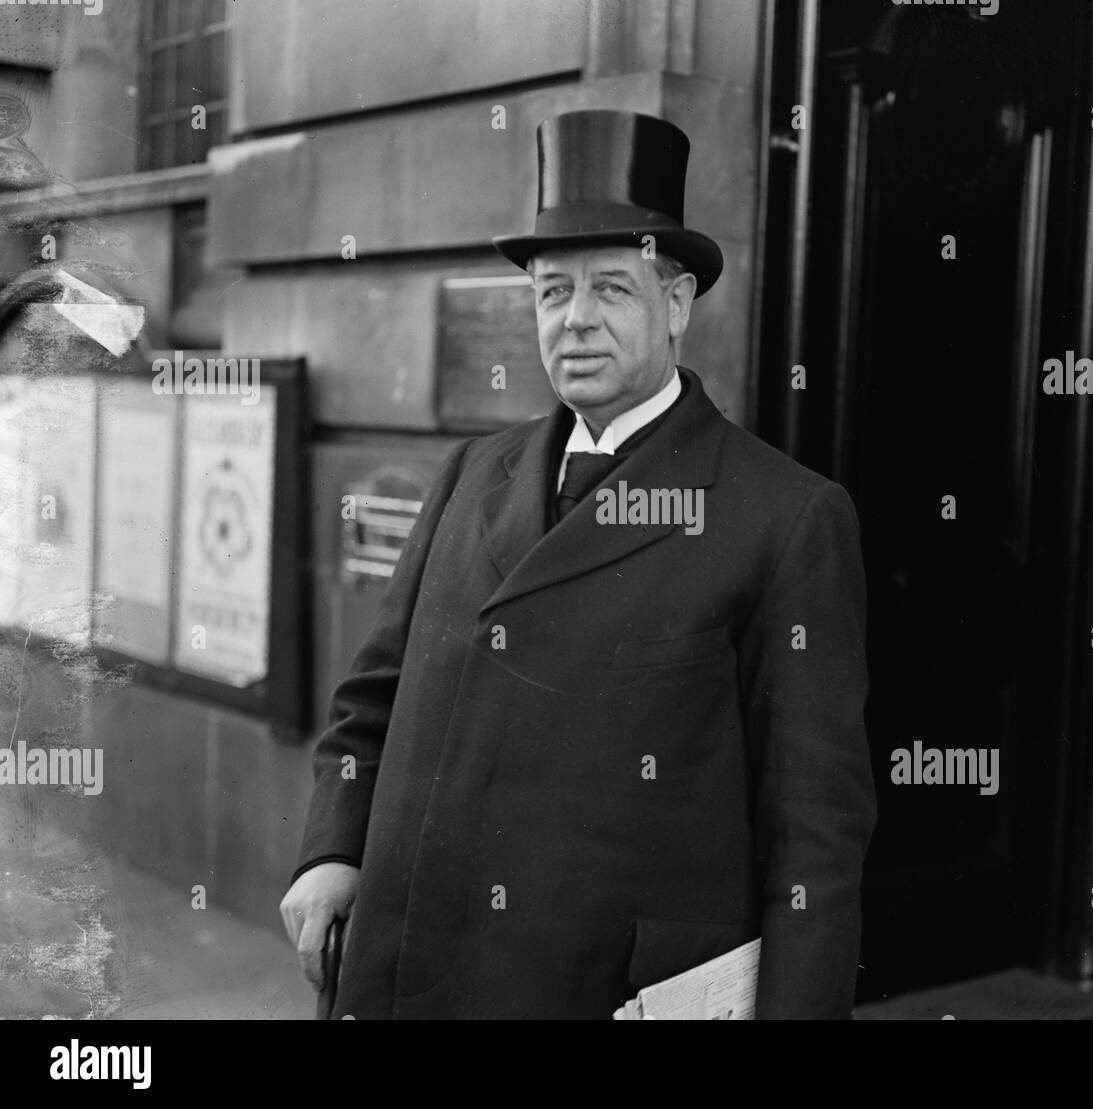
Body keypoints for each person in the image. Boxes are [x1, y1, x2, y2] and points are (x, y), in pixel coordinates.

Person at [280, 109, 876, 1019]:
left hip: (596, 988)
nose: (578, 321)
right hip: (408, 974)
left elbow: (816, 838)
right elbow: (373, 702)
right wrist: (333, 849)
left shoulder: (786, 517)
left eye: (612, 289)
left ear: (677, 305)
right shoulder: (473, 472)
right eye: (554, 291)